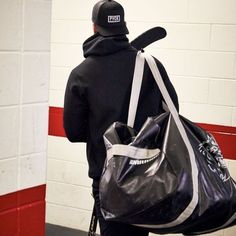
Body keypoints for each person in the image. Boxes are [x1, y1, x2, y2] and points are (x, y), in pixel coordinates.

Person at [63, 0, 179, 235]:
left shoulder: (81, 74)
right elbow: (172, 111)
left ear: (94, 27)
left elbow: (74, 133)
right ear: (124, 26)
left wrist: (100, 130)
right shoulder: (151, 65)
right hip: (147, 176)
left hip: (107, 178)